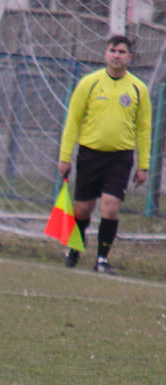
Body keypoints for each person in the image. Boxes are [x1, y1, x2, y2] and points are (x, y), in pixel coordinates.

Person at [58, 35, 151, 275]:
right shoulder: (89, 83)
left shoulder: (138, 89)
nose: (117, 55)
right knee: (83, 210)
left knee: (110, 207)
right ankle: (75, 247)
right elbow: (73, 121)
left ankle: (102, 258)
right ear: (105, 54)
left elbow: (143, 128)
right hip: (90, 154)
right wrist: (65, 156)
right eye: (113, 51)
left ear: (130, 57)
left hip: (120, 157)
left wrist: (143, 166)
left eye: (122, 52)